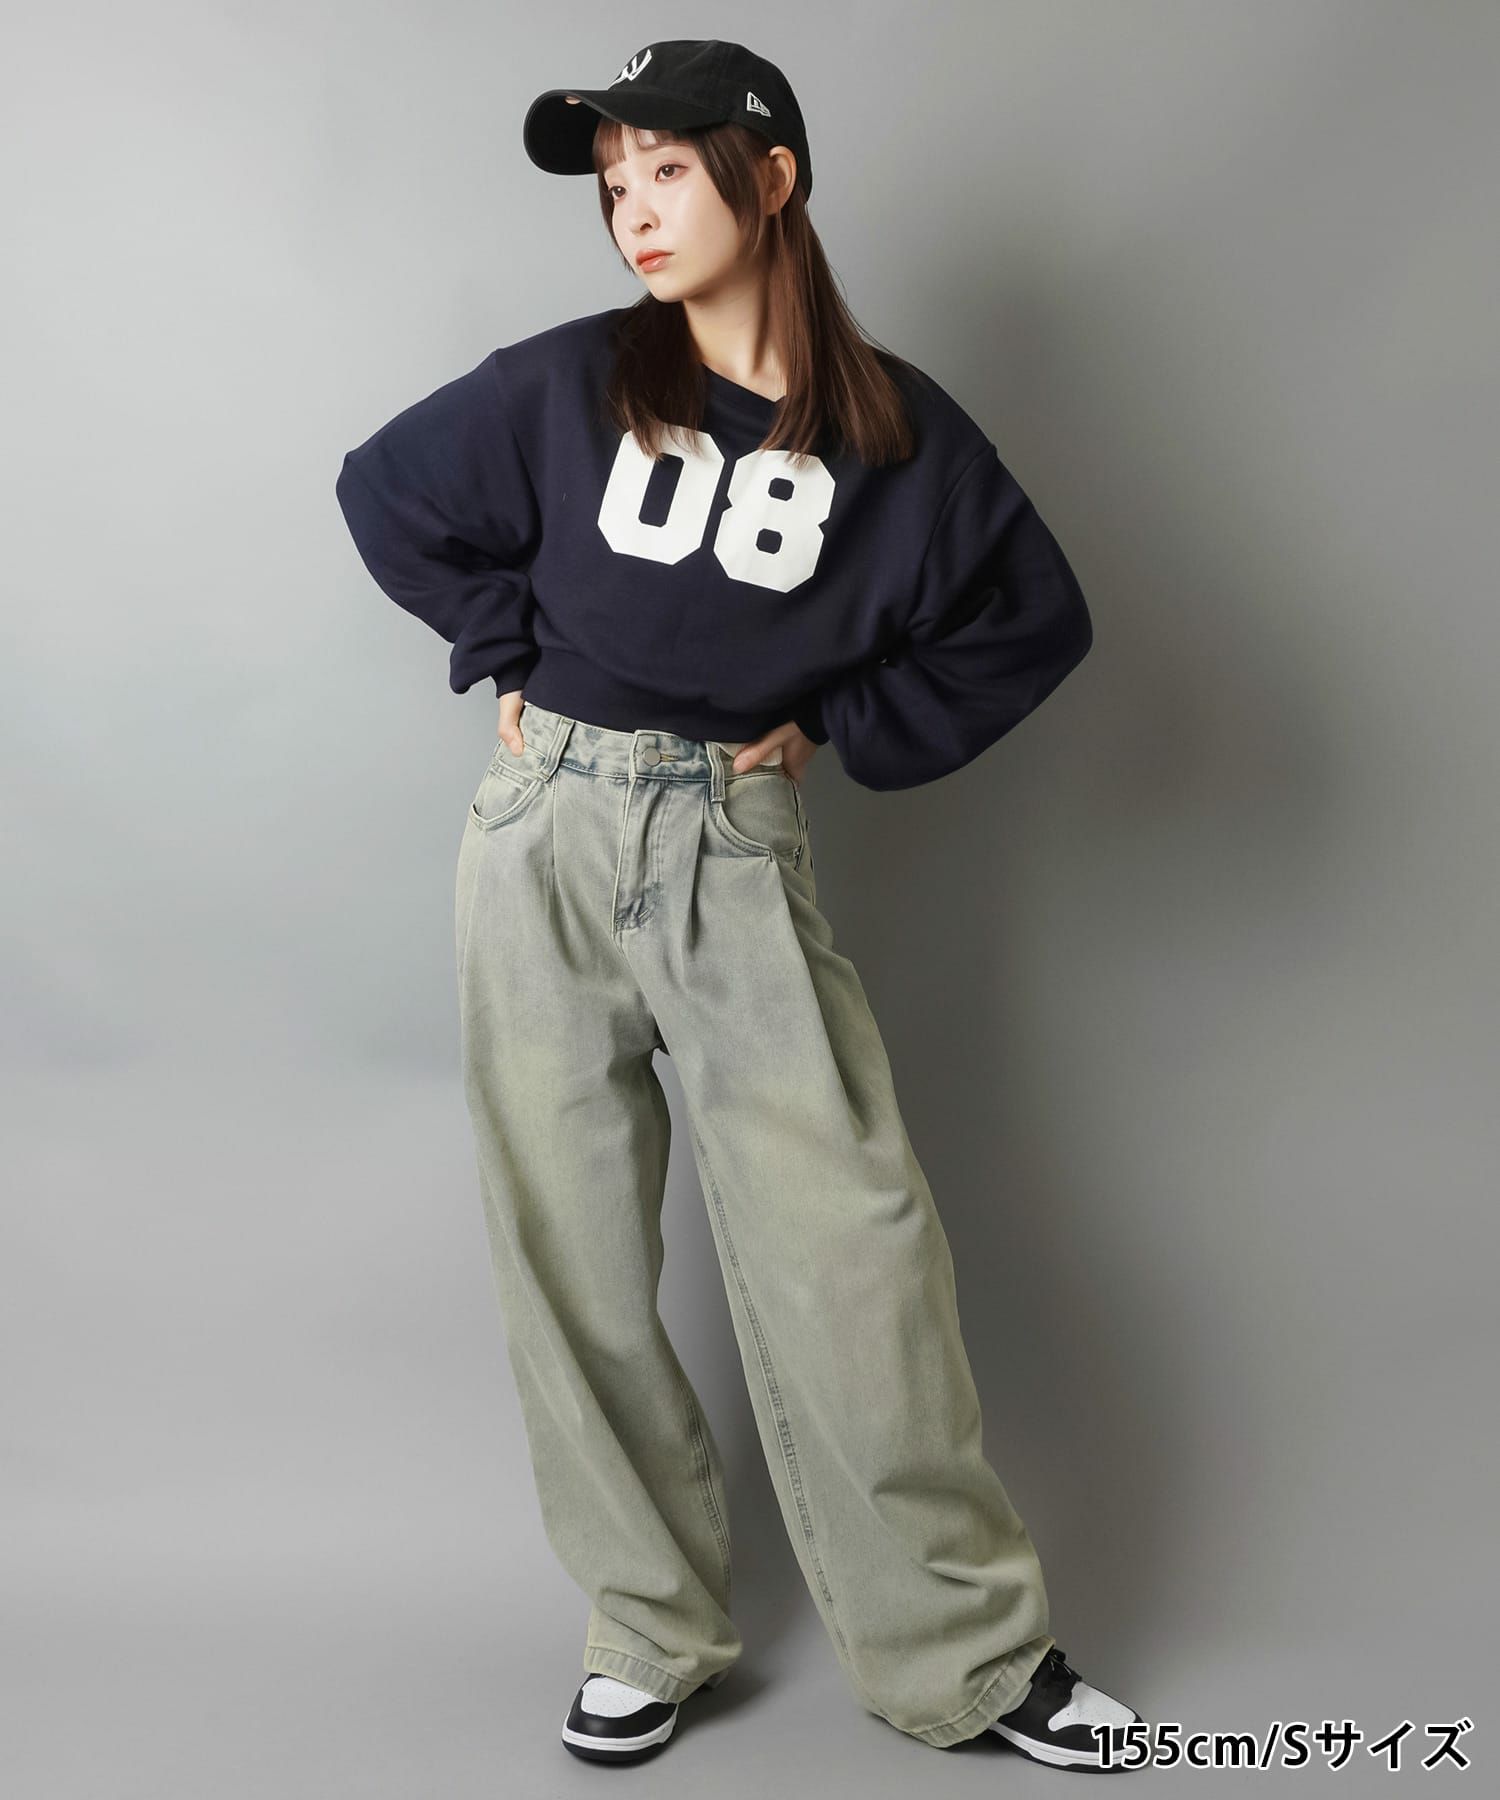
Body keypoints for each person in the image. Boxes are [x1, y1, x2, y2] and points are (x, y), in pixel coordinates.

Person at [335, 36, 1142, 1773]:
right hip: (544, 834)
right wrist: (502, 653)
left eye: (668, 172)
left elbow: (1031, 618)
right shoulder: (568, 381)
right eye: (613, 183)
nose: (633, 209)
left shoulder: (899, 438)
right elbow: (385, 493)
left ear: (771, 179)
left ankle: (969, 1659)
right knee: (571, 1257)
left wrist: (840, 727)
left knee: (855, 1256)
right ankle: (649, 1621)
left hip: (731, 846)